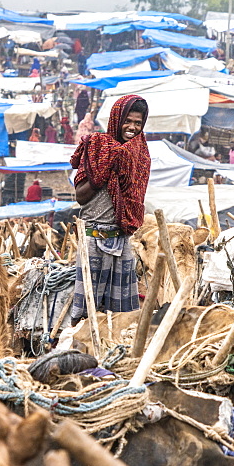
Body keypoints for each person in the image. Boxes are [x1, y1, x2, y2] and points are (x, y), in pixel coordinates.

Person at [69, 95, 151, 325]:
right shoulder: (97, 147)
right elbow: (81, 197)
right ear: (117, 119)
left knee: (124, 315)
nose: (133, 127)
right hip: (93, 239)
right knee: (86, 313)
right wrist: (104, 171)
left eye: (138, 123)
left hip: (122, 239)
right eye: (128, 121)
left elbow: (135, 200)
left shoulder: (140, 155)